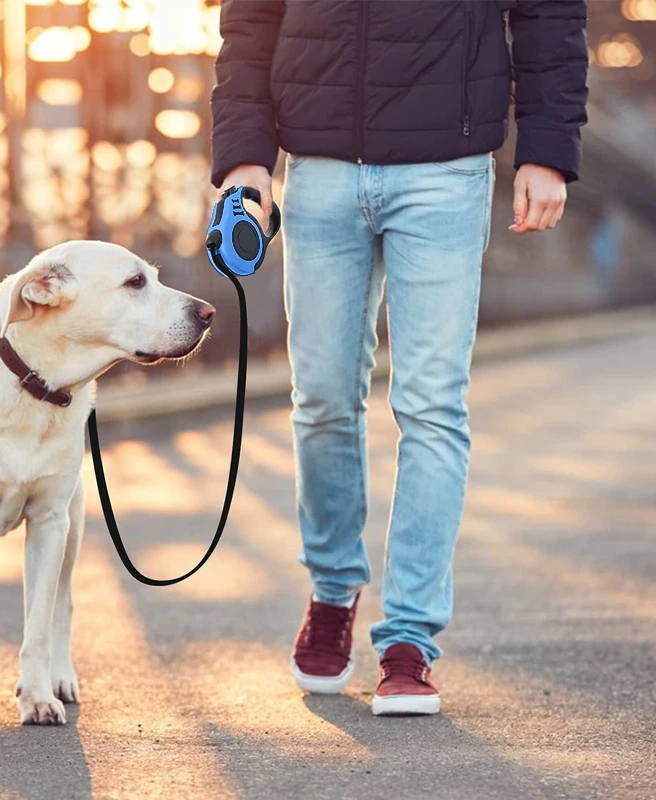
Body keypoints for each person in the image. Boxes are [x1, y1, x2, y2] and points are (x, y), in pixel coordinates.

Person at [210, 0, 588, 715]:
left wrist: (546, 149)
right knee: (320, 399)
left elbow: (549, 14)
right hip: (317, 169)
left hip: (446, 170)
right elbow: (251, 21)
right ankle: (331, 590)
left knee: (432, 405)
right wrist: (244, 159)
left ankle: (409, 639)